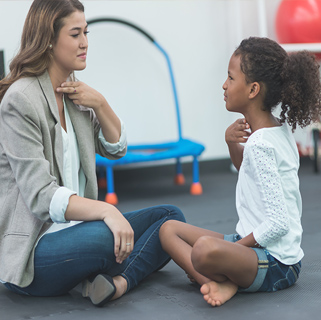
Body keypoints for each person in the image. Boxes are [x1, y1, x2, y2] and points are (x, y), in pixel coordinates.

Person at [0, 0, 185, 307]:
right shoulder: (20, 101)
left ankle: (117, 283)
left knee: (169, 219)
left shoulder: (76, 92)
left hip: (77, 232)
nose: (85, 43)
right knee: (108, 239)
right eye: (75, 34)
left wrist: (100, 103)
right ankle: (117, 270)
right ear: (48, 39)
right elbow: (40, 195)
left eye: (86, 32)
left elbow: (117, 149)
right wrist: (107, 211)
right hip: (36, 251)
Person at [159, 37, 321, 307]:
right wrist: (231, 142)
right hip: (259, 249)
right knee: (168, 230)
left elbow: (279, 224)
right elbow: (248, 171)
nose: (224, 85)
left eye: (231, 78)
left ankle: (225, 282)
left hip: (277, 263)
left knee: (203, 250)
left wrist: (235, 249)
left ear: (253, 89)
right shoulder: (277, 131)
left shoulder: (261, 143)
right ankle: (220, 281)